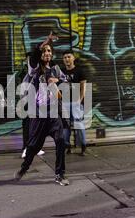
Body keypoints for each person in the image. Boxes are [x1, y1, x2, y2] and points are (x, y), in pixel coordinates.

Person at [14, 33, 70, 186]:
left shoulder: (56, 69)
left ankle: (59, 174)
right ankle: (24, 168)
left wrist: (57, 80)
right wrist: (47, 40)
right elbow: (34, 53)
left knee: (61, 141)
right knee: (33, 147)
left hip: (53, 114)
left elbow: (68, 80)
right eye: (45, 51)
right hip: (39, 115)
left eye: (49, 51)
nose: (47, 53)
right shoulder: (35, 68)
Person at [61, 50, 87, 156]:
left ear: (73, 58)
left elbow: (83, 88)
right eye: (65, 57)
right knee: (65, 127)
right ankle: (67, 146)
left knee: (79, 125)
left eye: (69, 57)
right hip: (65, 103)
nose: (67, 59)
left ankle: (83, 146)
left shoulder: (80, 71)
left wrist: (79, 101)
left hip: (76, 103)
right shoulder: (61, 72)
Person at [20, 52, 45, 159]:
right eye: (29, 59)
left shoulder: (39, 70)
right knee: (27, 126)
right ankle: (26, 148)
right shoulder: (26, 72)